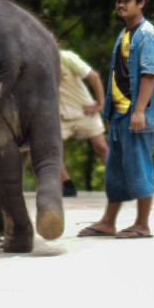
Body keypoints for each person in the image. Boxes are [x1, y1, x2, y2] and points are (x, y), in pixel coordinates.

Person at [78, 0, 154, 238]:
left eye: (126, 2)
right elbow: (119, 76)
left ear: (141, 2)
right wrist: (111, 112)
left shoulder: (146, 35)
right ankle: (108, 221)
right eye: (118, 2)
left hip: (136, 115)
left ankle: (142, 224)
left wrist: (140, 110)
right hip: (121, 115)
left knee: (139, 167)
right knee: (115, 170)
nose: (121, 6)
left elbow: (148, 74)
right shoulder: (126, 33)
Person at [56, 43, 108, 197]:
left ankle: (116, 181)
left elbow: (94, 76)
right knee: (53, 150)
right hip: (59, 116)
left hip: (85, 111)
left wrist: (100, 103)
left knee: (101, 146)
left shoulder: (66, 58)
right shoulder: (33, 63)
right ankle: (67, 184)